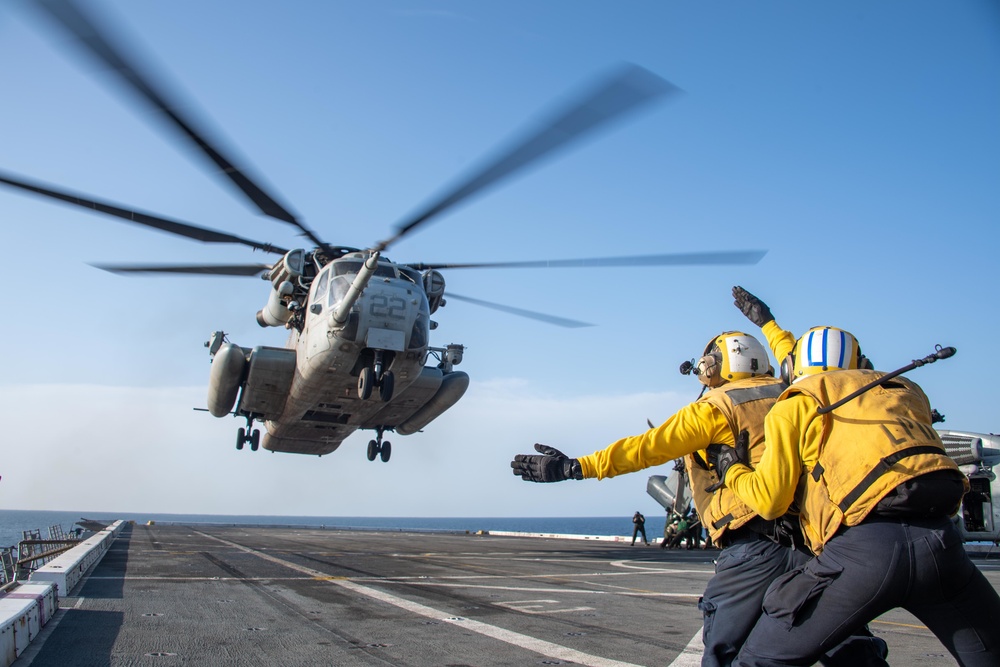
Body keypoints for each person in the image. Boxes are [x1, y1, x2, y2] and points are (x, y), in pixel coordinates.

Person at [510, 323, 887, 667]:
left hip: (753, 547)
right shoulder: (797, 392)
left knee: (723, 649)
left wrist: (574, 467)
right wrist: (771, 324)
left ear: (713, 367)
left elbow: (646, 448)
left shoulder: (715, 408)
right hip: (817, 543)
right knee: (847, 644)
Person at [709, 323, 1000, 666]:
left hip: (863, 552)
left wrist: (732, 469)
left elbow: (771, 501)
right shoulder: (906, 390)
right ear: (862, 362)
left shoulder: (795, 403)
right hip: (942, 546)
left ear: (791, 369)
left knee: (759, 659)